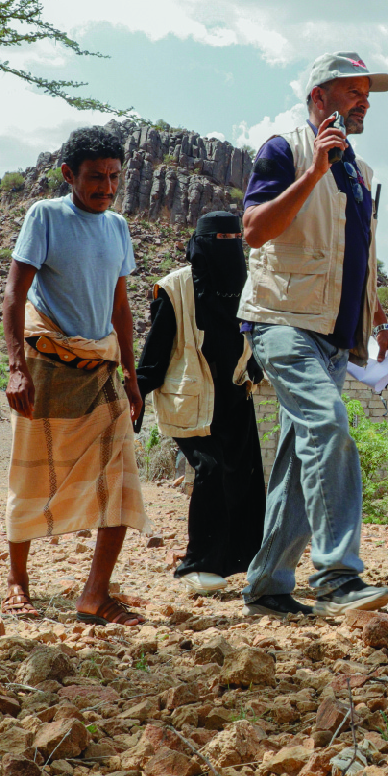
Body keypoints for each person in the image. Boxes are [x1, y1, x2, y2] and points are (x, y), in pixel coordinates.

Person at [238, 51, 388, 618]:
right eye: (354, 92)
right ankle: (337, 577)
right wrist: (312, 174)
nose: (364, 103)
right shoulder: (285, 150)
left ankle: (267, 585)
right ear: (318, 98)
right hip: (282, 321)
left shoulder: (360, 171)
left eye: (367, 95)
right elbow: (254, 231)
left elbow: (355, 256)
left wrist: (378, 319)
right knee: (328, 424)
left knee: (296, 457)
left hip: (334, 335)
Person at [2, 126, 150, 627]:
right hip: (46, 365)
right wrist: (16, 368)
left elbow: (120, 307)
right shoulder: (45, 216)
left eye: (114, 177)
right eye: (95, 177)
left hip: (101, 368)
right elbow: (14, 295)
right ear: (69, 174)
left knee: (121, 481)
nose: (106, 187)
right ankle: (16, 585)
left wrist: (132, 376)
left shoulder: (118, 227)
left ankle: (94, 595)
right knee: (31, 476)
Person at [136, 211, 265, 595]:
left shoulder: (247, 286)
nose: (229, 246)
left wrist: (256, 367)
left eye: (235, 238)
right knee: (210, 469)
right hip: (191, 400)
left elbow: (252, 338)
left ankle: (240, 562)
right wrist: (136, 393)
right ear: (201, 244)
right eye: (220, 239)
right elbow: (156, 350)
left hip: (235, 395)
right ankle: (198, 565)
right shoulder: (174, 289)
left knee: (244, 478)